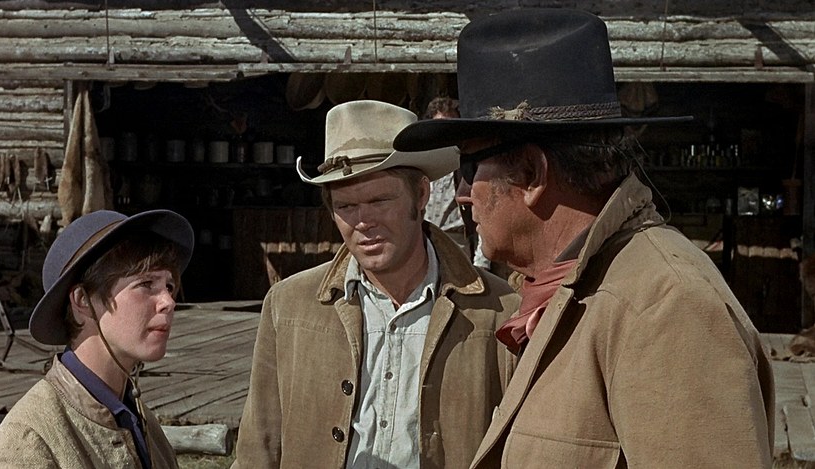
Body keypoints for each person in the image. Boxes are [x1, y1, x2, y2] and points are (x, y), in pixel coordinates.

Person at [394, 9, 774, 468]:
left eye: (469, 168)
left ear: (531, 174)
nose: (461, 193)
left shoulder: (666, 308)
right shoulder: (565, 287)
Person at [232, 100, 520, 469]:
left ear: (421, 194)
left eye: (380, 200)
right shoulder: (289, 305)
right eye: (346, 207)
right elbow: (258, 449)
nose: (363, 221)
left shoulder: (498, 310)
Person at [0, 209, 194, 468]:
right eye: (146, 284)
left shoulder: (140, 421)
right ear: (82, 300)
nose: (168, 301)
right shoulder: (25, 445)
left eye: (169, 286)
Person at [422, 97, 492, 270]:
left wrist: (481, 263)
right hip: (424, 243)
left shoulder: (468, 165)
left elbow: (483, 215)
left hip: (457, 242)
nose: (444, 133)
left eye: (449, 125)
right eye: (438, 126)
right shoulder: (423, 164)